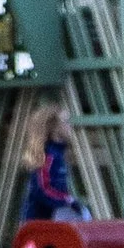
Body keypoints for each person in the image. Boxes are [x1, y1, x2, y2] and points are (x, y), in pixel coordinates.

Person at [18, 93, 90, 222]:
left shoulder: (58, 154)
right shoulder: (48, 155)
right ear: (54, 127)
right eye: (65, 122)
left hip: (51, 220)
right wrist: (67, 201)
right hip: (38, 223)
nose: (70, 126)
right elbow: (43, 189)